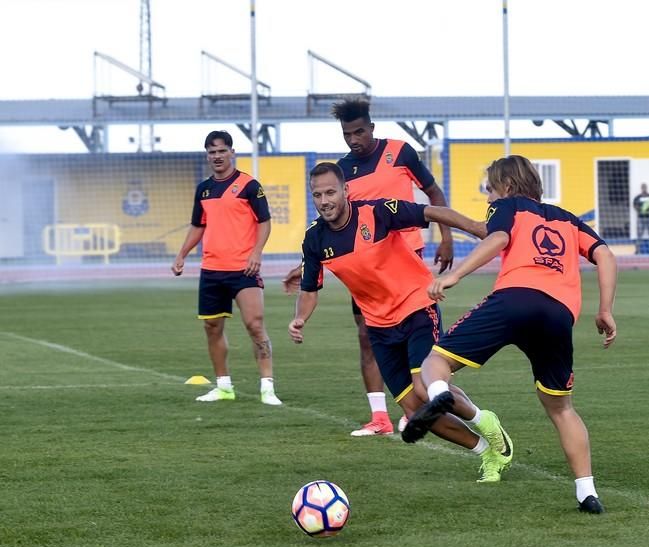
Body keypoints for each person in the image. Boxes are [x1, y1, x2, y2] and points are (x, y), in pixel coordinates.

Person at [403, 155, 617, 514]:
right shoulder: (568, 218)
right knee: (561, 408)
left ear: (506, 185)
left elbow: (499, 236)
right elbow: (606, 256)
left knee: (436, 362)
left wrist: (457, 275)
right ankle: (587, 493)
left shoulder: (507, 206)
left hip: (514, 299)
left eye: (490, 189)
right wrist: (605, 309)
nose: (488, 198)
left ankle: (439, 395)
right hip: (558, 313)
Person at [288, 162, 513, 483]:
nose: (324, 201)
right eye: (317, 195)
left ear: (345, 191)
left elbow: (431, 212)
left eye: (330, 192)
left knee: (425, 388)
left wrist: (477, 228)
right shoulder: (314, 239)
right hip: (379, 328)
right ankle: (486, 452)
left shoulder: (377, 213)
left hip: (417, 308)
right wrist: (299, 318)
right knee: (414, 410)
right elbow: (310, 289)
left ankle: (484, 420)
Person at [284, 98, 454, 437]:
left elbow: (432, 192)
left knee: (414, 339)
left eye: (359, 131)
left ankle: (428, 394)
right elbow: (333, 227)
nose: (353, 139)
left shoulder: (400, 152)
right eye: (347, 134)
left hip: (404, 264)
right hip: (363, 271)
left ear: (372, 128)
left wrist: (445, 237)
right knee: (368, 337)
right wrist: (303, 265)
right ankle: (381, 417)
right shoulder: (340, 171)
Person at [172, 130, 282, 406]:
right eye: (212, 152)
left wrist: (256, 252)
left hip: (243, 269)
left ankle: (267, 387)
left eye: (222, 151)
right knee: (212, 327)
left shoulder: (249, 185)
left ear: (232, 152)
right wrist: (182, 254)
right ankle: (223, 386)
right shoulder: (204, 189)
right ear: (207, 156)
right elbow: (198, 226)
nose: (217, 156)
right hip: (211, 269)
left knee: (255, 325)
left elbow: (264, 222)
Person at [633, 183, 649, 254]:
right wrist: (640, 210)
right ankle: (638, 251)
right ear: (641, 188)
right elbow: (634, 205)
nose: (644, 189)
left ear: (646, 188)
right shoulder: (637, 197)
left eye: (645, 187)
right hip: (640, 218)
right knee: (639, 235)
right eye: (642, 187)